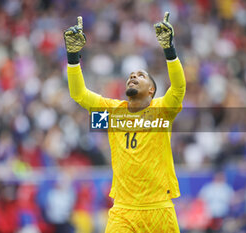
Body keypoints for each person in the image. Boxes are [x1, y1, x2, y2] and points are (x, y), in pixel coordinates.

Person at [64, 12, 186, 232]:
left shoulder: (162, 110)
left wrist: (169, 50)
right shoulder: (113, 112)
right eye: (131, 75)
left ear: (151, 90)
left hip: (159, 208)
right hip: (124, 211)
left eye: (140, 75)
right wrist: (73, 56)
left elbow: (178, 88)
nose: (133, 76)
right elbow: (79, 94)